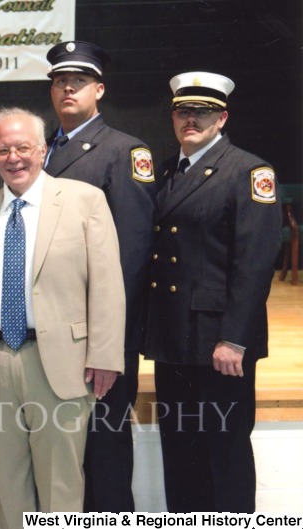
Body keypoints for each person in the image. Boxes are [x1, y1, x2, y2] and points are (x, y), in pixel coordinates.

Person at [0, 107, 125, 525]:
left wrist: (105, 354)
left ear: (41, 150)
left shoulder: (84, 200)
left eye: (23, 148)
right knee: (7, 484)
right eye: (3, 150)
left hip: (61, 365)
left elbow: (107, 283)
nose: (14, 158)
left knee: (61, 485)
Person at [144, 72, 281, 512]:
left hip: (220, 343)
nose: (191, 120)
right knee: (180, 449)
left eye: (201, 112)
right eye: (183, 111)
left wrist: (234, 339)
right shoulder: (167, 170)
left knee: (224, 450)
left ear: (222, 118)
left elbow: (255, 263)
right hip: (173, 338)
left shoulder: (248, 171)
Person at [43, 40, 157, 511]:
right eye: (60, 80)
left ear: (100, 89)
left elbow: (131, 255)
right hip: (56, 329)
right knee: (65, 450)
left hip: (100, 336)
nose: (68, 87)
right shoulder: (43, 150)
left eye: (80, 80)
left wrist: (107, 343)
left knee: (105, 448)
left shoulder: (124, 151)